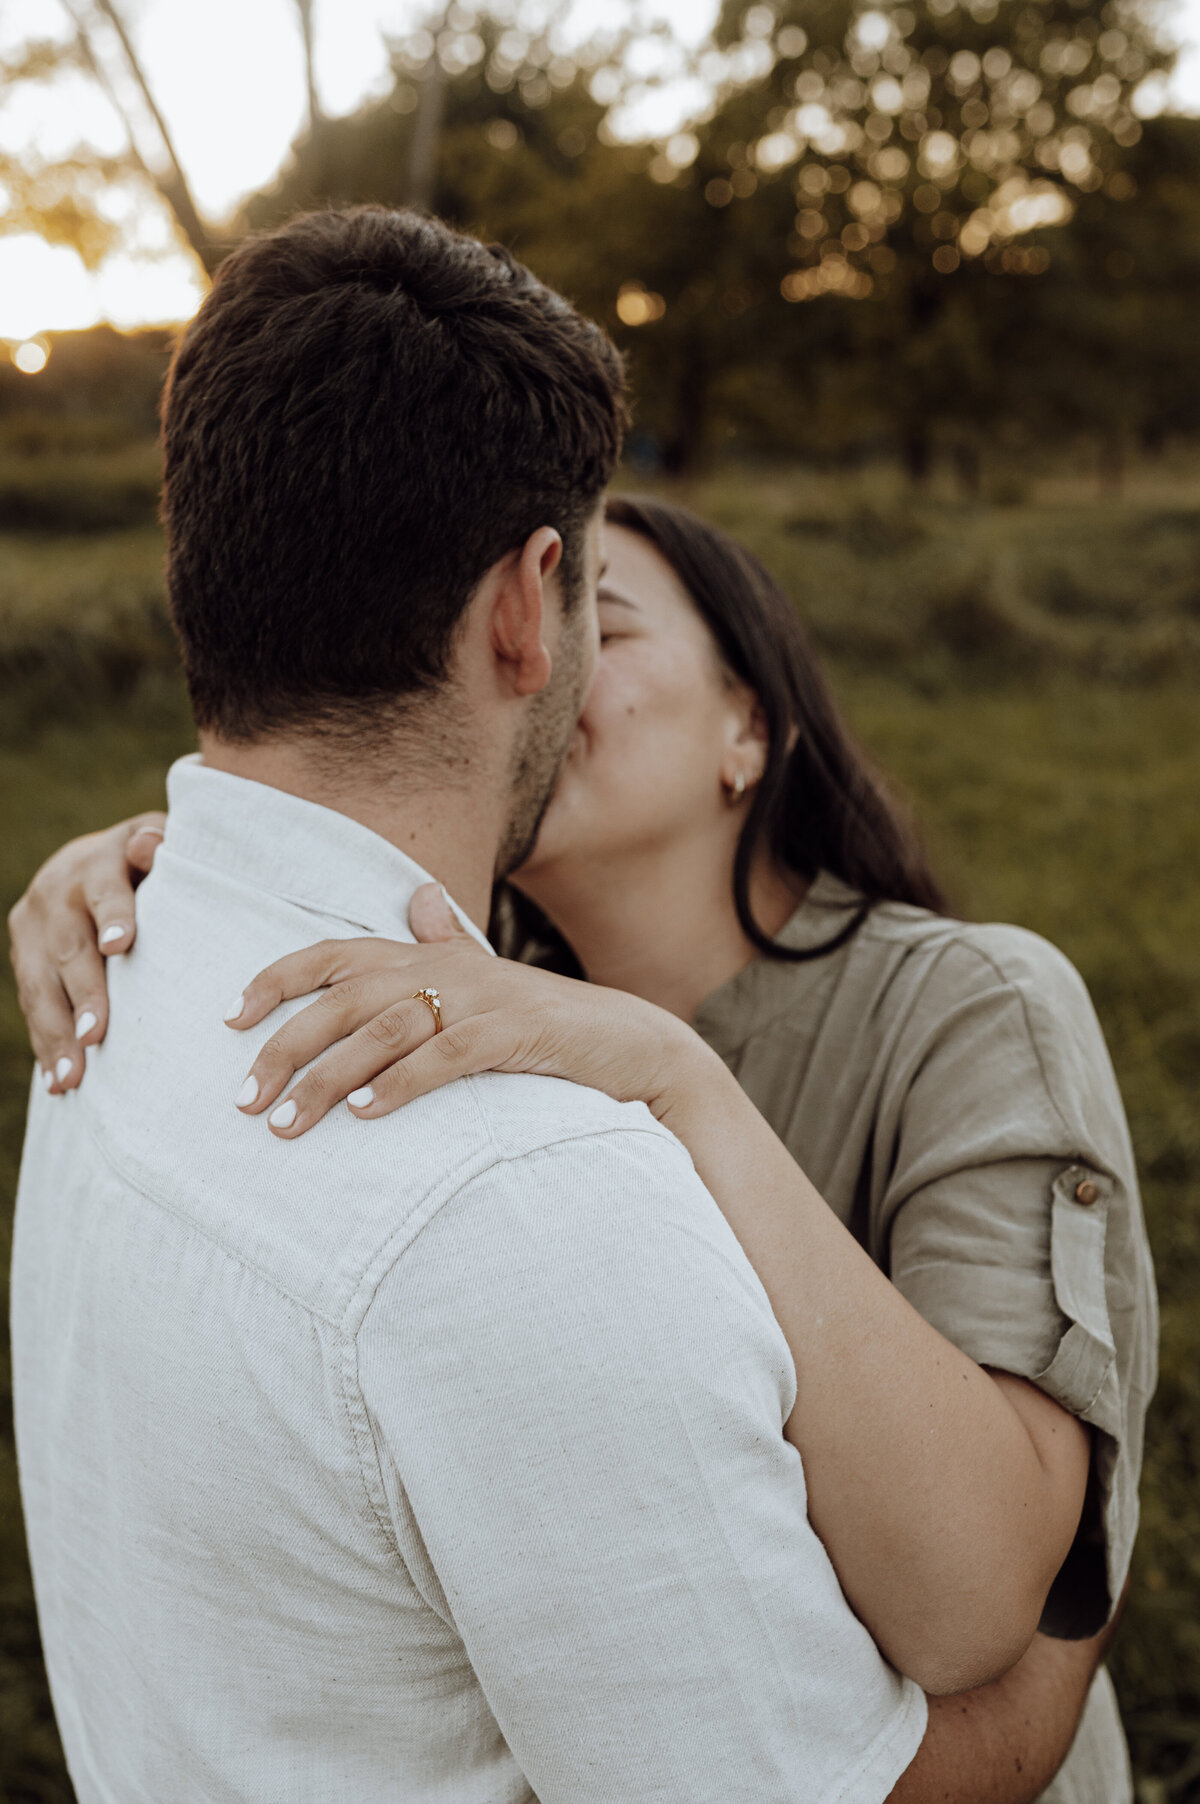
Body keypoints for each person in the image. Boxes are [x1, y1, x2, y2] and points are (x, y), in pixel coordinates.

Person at [11, 473, 1158, 1800]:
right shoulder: (464, 979)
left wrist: (683, 1081)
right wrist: (135, 866)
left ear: (750, 729)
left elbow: (987, 1589)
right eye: (554, 617)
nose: (548, 665)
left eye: (604, 622)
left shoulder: (974, 1006)